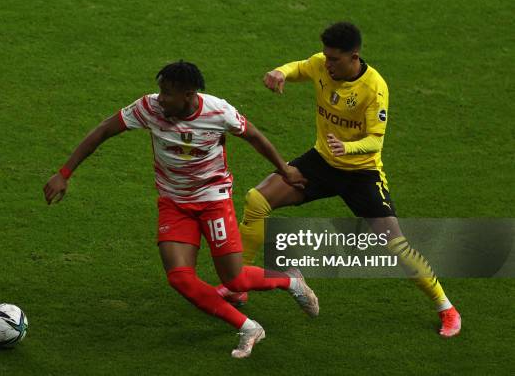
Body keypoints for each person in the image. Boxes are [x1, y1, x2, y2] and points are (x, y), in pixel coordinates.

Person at [43, 61, 319, 358]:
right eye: (160, 91)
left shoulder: (218, 111)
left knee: (234, 280)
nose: (159, 99)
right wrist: (64, 173)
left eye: (167, 93)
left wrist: (285, 170)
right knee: (179, 277)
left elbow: (255, 137)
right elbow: (103, 131)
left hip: (213, 201)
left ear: (189, 95)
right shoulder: (148, 108)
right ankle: (249, 327)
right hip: (174, 203)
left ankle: (290, 280)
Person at [219, 22, 461, 337]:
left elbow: (376, 140)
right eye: (326, 57)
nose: (327, 64)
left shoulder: (374, 88)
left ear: (354, 57)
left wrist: (348, 147)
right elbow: (300, 68)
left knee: (396, 245)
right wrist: (281, 72)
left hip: (361, 174)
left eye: (334, 59)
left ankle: (447, 309)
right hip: (322, 162)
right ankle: (239, 285)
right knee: (257, 199)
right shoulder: (322, 64)